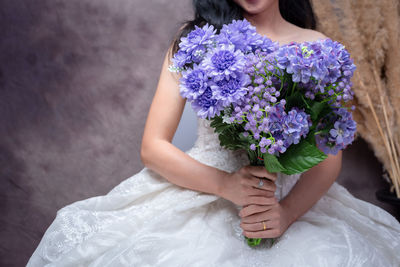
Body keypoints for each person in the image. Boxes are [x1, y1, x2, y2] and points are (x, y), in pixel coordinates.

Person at [28, 0, 400, 266]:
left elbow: (326, 160)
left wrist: (285, 214)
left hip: (286, 202)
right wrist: (226, 186)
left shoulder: (318, 48)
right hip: (203, 189)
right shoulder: (195, 40)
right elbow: (153, 147)